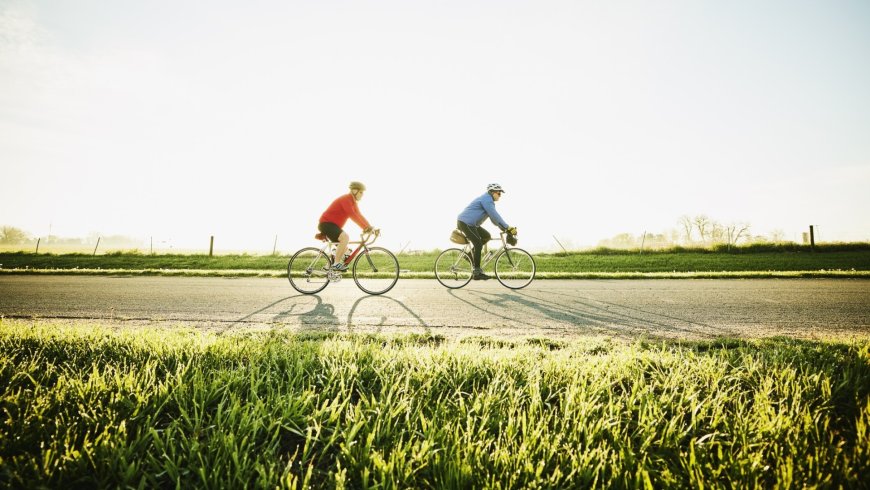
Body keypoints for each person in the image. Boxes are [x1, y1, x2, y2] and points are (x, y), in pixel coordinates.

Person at [457, 183, 517, 280]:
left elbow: (494, 220)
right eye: (499, 193)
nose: (500, 196)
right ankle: (477, 272)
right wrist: (507, 227)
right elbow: (495, 216)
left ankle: (469, 256)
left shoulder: (488, 200)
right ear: (493, 192)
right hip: (465, 223)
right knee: (478, 244)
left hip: (471, 224)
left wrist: (505, 229)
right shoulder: (487, 200)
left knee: (486, 236)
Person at [318, 181, 374, 271]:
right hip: (326, 224)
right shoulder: (346, 199)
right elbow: (352, 215)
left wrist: (369, 227)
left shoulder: (353, 202)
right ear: (354, 191)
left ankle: (327, 268)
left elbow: (359, 215)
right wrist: (365, 228)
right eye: (361, 192)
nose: (362, 195)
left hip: (332, 226)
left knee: (344, 249)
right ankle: (336, 264)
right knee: (345, 237)